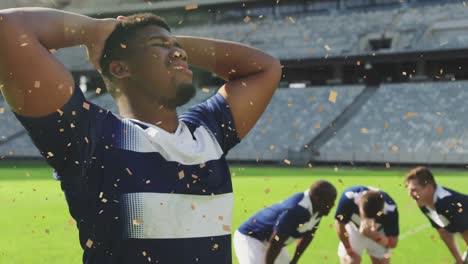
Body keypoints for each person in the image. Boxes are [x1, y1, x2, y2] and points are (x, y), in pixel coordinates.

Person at [0, 7, 281, 263]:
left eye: (178, 47)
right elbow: (7, 28)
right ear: (120, 68)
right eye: (158, 45)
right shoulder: (92, 137)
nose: (180, 53)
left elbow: (265, 68)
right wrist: (97, 31)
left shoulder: (207, 131)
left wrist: (163, 43)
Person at [234, 180, 337, 264]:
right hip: (251, 238)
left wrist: (294, 261)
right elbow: (275, 241)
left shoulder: (319, 209)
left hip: (274, 242)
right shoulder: (297, 210)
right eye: (330, 201)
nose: (333, 205)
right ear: (317, 199)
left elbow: (308, 236)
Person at [405, 167, 468, 264]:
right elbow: (444, 232)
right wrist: (459, 260)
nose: (410, 194)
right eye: (409, 190)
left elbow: (466, 233)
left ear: (429, 188)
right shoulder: (423, 203)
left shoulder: (447, 203)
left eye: (414, 190)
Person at [335, 186, 399, 264]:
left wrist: (375, 237)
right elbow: (340, 225)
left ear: (381, 210)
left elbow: (393, 243)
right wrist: (349, 250)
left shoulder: (390, 208)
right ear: (359, 204)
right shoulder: (348, 198)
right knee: (351, 262)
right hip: (354, 229)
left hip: (378, 233)